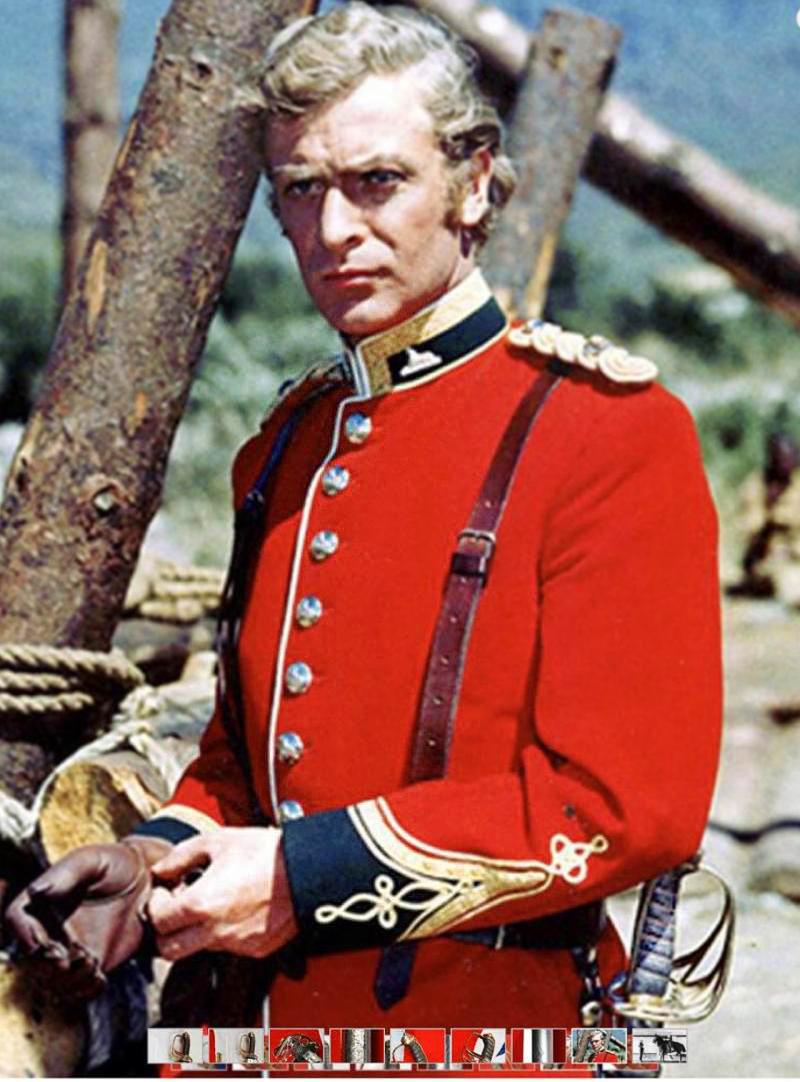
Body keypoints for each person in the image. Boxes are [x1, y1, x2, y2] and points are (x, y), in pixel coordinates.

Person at [6, 1, 722, 1039]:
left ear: (472, 182)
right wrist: (153, 854)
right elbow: (244, 764)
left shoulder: (608, 434)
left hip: (500, 1041)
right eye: (301, 189)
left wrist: (303, 880)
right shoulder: (287, 446)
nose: (334, 229)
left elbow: (624, 807)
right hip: (257, 1039)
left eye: (377, 181)